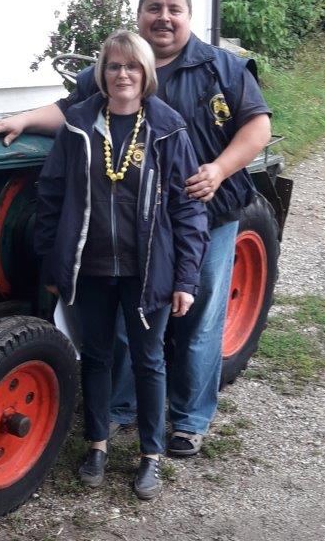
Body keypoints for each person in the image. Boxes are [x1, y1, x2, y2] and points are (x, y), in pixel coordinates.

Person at [0, 0, 272, 456]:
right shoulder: (123, 62)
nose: (164, 17)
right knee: (126, 318)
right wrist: (24, 119)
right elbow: (72, 109)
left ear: (189, 16)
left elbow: (257, 128)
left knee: (196, 315)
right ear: (140, 14)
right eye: (154, 7)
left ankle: (189, 419)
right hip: (134, 226)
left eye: (174, 8)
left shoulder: (223, 68)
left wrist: (218, 170)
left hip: (204, 213)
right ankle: (121, 407)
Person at [34, 30, 208, 497]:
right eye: (114, 66)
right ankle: (97, 444)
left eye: (132, 66)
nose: (123, 74)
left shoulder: (168, 128)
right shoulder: (78, 125)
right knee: (95, 355)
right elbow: (51, 196)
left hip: (146, 269)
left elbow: (188, 210)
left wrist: (186, 278)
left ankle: (150, 456)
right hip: (89, 268)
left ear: (146, 73)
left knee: (149, 360)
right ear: (102, 74)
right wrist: (53, 265)